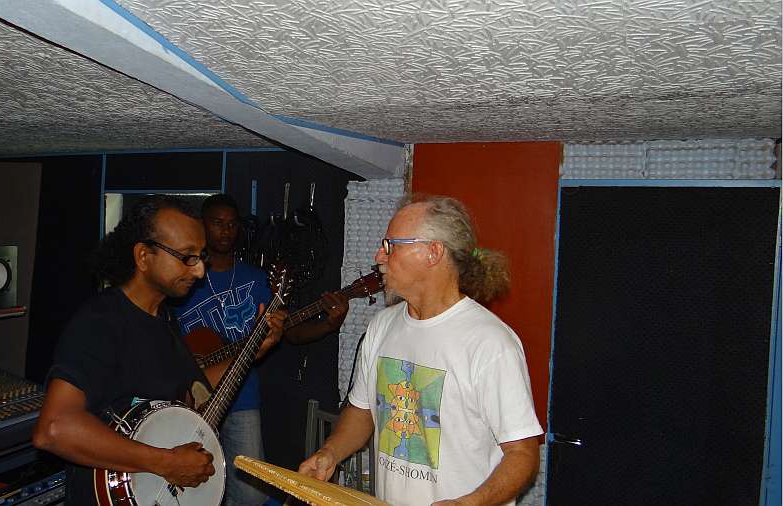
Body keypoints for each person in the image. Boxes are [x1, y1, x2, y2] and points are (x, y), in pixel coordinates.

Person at [31, 195, 285, 506]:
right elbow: (54, 428)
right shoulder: (102, 321)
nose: (199, 271)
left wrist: (251, 351)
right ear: (143, 256)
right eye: (187, 257)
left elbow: (195, 388)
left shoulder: (165, 320)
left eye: (201, 257)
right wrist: (166, 462)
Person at [299, 195, 542, 505]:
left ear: (433, 252)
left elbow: (523, 453)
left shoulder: (490, 343)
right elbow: (362, 411)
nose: (379, 256)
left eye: (390, 246)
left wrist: (470, 503)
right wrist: (330, 453)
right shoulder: (381, 326)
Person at [173, 193, 347, 505]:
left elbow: (289, 332)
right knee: (192, 487)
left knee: (251, 492)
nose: (226, 230)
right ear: (202, 225)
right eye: (217, 223)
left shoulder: (257, 279)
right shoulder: (185, 279)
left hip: (242, 397)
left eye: (232, 224)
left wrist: (328, 325)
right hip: (190, 400)